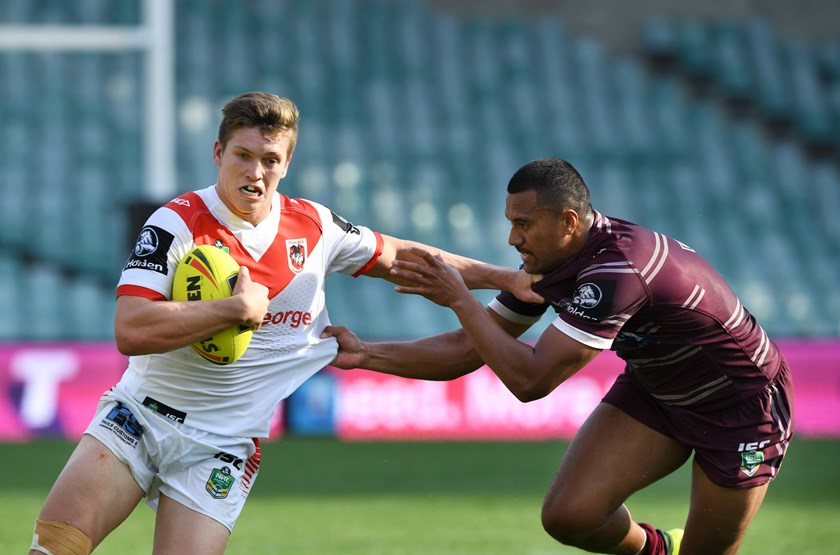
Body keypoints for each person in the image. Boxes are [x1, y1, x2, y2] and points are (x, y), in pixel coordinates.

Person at [28, 91, 537, 555]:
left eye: (270, 160)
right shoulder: (176, 222)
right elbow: (130, 329)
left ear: (286, 163)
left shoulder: (313, 226)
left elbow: (405, 256)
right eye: (242, 156)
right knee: (55, 547)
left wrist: (504, 279)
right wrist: (233, 309)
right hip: (139, 418)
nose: (255, 172)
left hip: (222, 448)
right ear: (217, 154)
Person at [324, 158, 794, 555]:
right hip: (659, 391)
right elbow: (469, 349)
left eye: (523, 224)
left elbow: (532, 382)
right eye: (510, 222)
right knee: (570, 516)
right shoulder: (555, 263)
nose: (513, 239)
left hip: (742, 407)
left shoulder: (616, 271)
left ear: (568, 222)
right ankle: (660, 549)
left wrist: (461, 300)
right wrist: (366, 354)